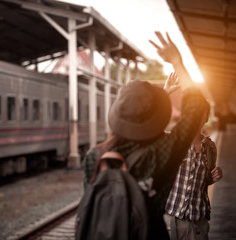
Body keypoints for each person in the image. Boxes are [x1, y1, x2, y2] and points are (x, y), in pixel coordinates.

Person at [83, 31, 209, 239]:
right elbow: (195, 106)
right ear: (156, 120)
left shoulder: (94, 157)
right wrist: (177, 62)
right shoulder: (161, 153)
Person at [165, 105, 223, 240]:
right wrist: (166, 93)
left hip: (199, 222)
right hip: (173, 220)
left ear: (206, 117)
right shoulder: (173, 141)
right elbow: (150, 129)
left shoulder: (210, 147)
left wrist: (214, 177)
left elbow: (206, 180)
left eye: (200, 113)